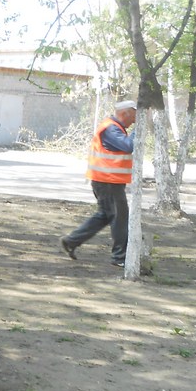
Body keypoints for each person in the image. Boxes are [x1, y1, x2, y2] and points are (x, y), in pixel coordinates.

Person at [60, 100, 137, 267]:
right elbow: (128, 145)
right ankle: (119, 257)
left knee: (105, 215)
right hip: (107, 181)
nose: (134, 121)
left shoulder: (113, 127)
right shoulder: (111, 128)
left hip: (107, 181)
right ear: (125, 114)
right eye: (134, 117)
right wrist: (139, 130)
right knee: (119, 218)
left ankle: (71, 241)